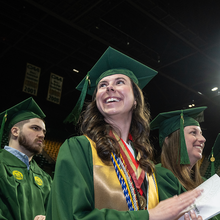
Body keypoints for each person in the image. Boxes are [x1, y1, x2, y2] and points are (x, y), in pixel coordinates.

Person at [46, 47, 203, 220]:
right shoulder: (79, 148)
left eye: (119, 82)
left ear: (136, 100)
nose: (109, 88)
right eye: (102, 85)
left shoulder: (145, 164)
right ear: (96, 99)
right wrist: (148, 216)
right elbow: (70, 215)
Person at [0, 97, 52, 220]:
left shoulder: (45, 178)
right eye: (35, 128)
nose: (42, 135)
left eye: (44, 131)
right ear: (15, 131)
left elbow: (55, 210)